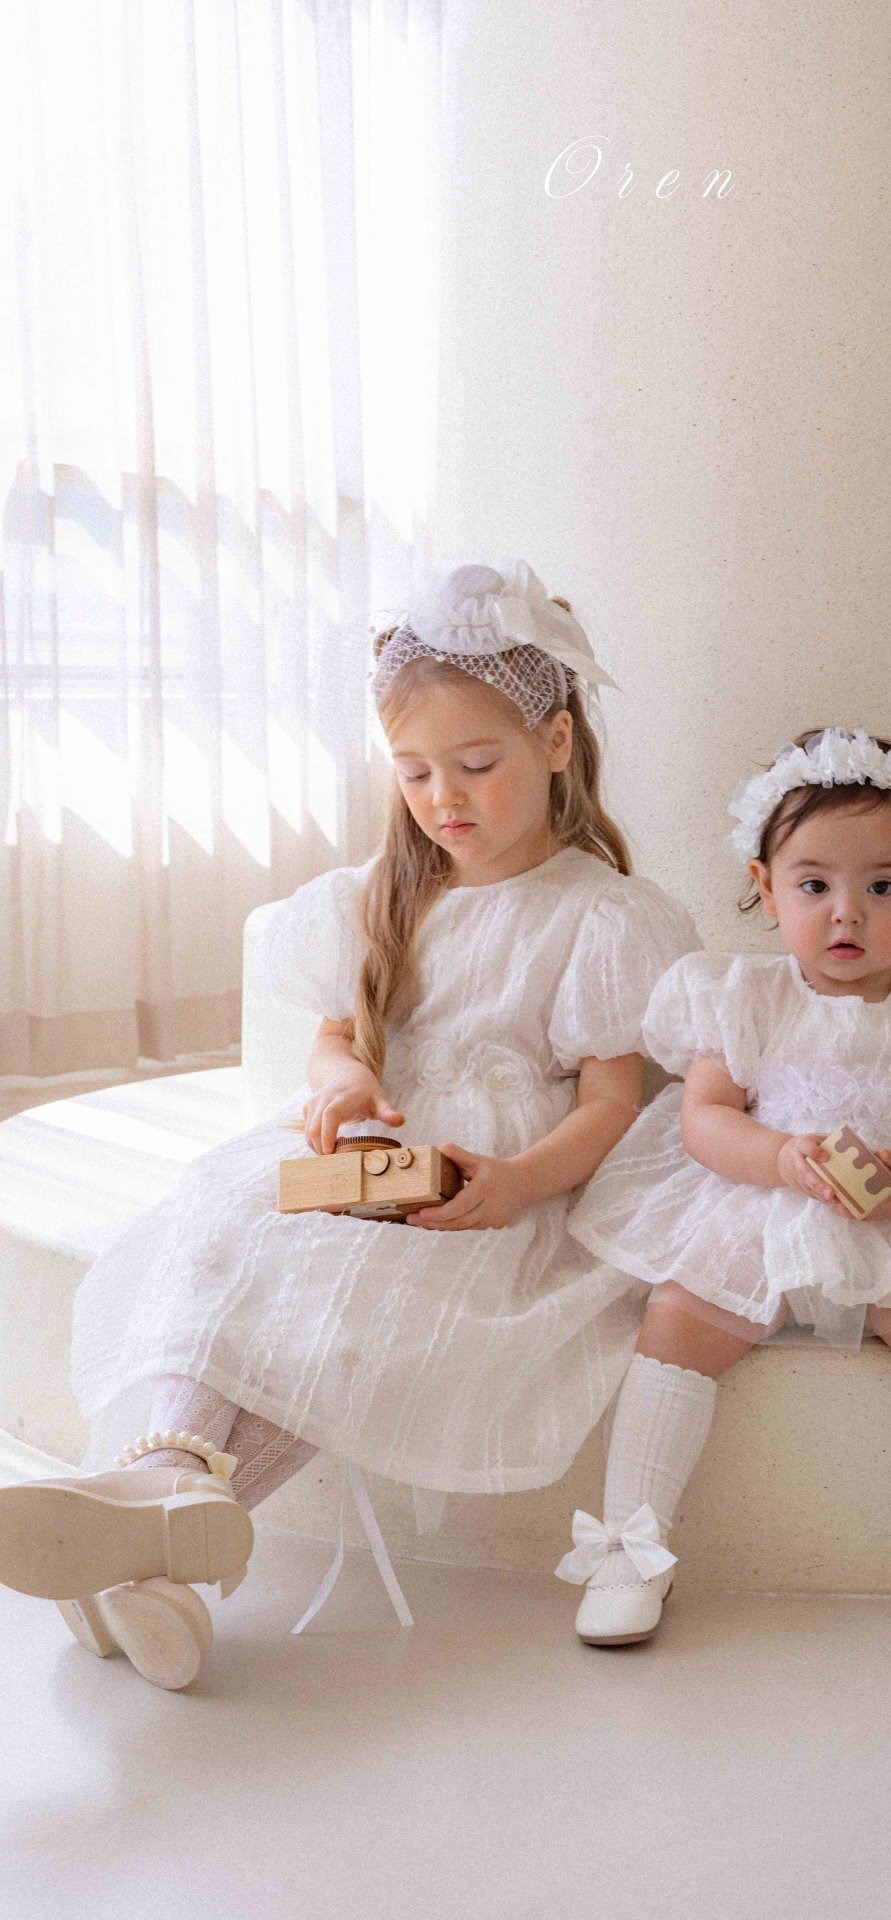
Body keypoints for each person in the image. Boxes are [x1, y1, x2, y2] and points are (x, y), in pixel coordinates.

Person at [0, 559, 699, 1689]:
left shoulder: (601, 916)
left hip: (487, 1181)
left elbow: (613, 1102)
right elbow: (340, 1037)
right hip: (371, 1155)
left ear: (556, 743)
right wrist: (337, 1084)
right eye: (414, 772)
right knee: (226, 1232)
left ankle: (148, 1523)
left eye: (476, 766)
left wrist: (519, 1181)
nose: (443, 799)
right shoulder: (390, 891)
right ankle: (160, 1528)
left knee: (354, 1309)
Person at [557, 725, 891, 1653]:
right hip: (759, 1213)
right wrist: (777, 1158)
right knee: (679, 1317)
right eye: (814, 886)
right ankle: (631, 1547)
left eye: (881, 887)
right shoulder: (742, 998)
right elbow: (704, 1119)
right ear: (766, 889)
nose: (847, 915)